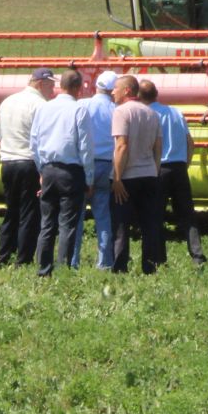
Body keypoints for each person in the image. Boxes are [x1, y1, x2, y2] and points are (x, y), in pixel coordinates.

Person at [30, 70, 94, 277]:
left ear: (60, 86)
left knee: (47, 222)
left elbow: (35, 142)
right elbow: (85, 146)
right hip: (71, 171)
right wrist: (89, 177)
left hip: (48, 169)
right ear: (79, 87)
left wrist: (41, 170)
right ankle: (63, 269)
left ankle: (43, 268)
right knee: (67, 224)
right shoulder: (79, 110)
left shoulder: (44, 108)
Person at [0, 69, 51, 268]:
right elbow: (42, 139)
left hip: (8, 162)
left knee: (11, 211)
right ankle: (23, 259)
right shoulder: (40, 105)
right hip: (28, 163)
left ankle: (3, 256)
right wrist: (43, 169)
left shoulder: (8, 101)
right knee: (29, 213)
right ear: (41, 83)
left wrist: (3, 157)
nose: (53, 89)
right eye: (51, 85)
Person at [107, 75, 165, 274]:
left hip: (127, 177)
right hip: (149, 174)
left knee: (121, 225)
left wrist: (116, 177)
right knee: (149, 225)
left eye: (116, 88)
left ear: (127, 91)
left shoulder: (121, 112)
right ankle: (150, 267)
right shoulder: (152, 114)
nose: (112, 92)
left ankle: (119, 267)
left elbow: (122, 145)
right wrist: (155, 171)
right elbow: (158, 147)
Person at [145, 80, 206, 268]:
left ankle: (159, 258)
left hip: (159, 168)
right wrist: (185, 163)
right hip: (179, 167)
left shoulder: (148, 115)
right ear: (157, 94)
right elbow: (190, 142)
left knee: (156, 216)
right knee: (187, 215)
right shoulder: (176, 112)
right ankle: (197, 256)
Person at [84, 71, 121, 269]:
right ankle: (105, 261)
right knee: (103, 216)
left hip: (84, 163)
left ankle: (73, 259)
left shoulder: (83, 105)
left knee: (76, 215)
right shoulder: (116, 110)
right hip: (107, 165)